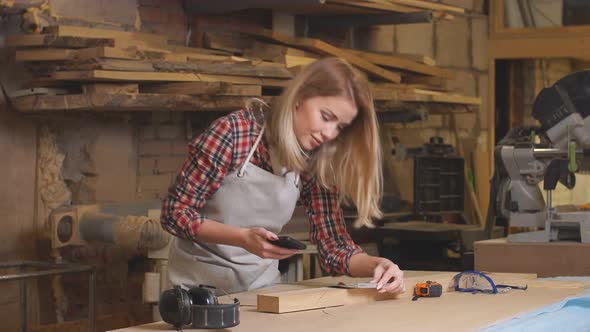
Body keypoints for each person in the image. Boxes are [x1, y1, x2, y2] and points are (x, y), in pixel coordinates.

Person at [160, 57, 405, 295]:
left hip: (260, 293)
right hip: (195, 291)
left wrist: (376, 265)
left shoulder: (315, 160)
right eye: (326, 117)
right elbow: (175, 214)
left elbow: (333, 247)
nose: (329, 133)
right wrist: (243, 238)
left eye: (339, 127)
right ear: (300, 97)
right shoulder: (233, 133)